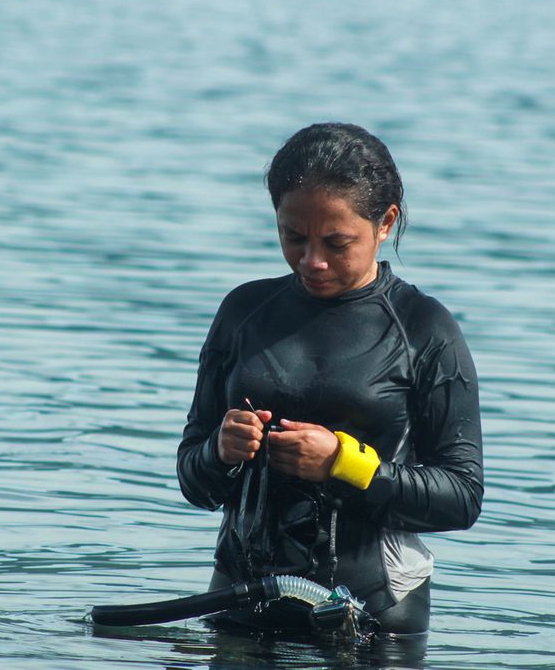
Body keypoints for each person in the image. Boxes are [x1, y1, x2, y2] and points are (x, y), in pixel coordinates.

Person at [177, 122, 483, 636]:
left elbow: (462, 496)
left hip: (374, 617)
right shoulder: (243, 311)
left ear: (385, 223)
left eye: (337, 242)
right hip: (239, 602)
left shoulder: (424, 328)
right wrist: (219, 451)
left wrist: (344, 463)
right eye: (292, 237)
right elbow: (194, 481)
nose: (312, 261)